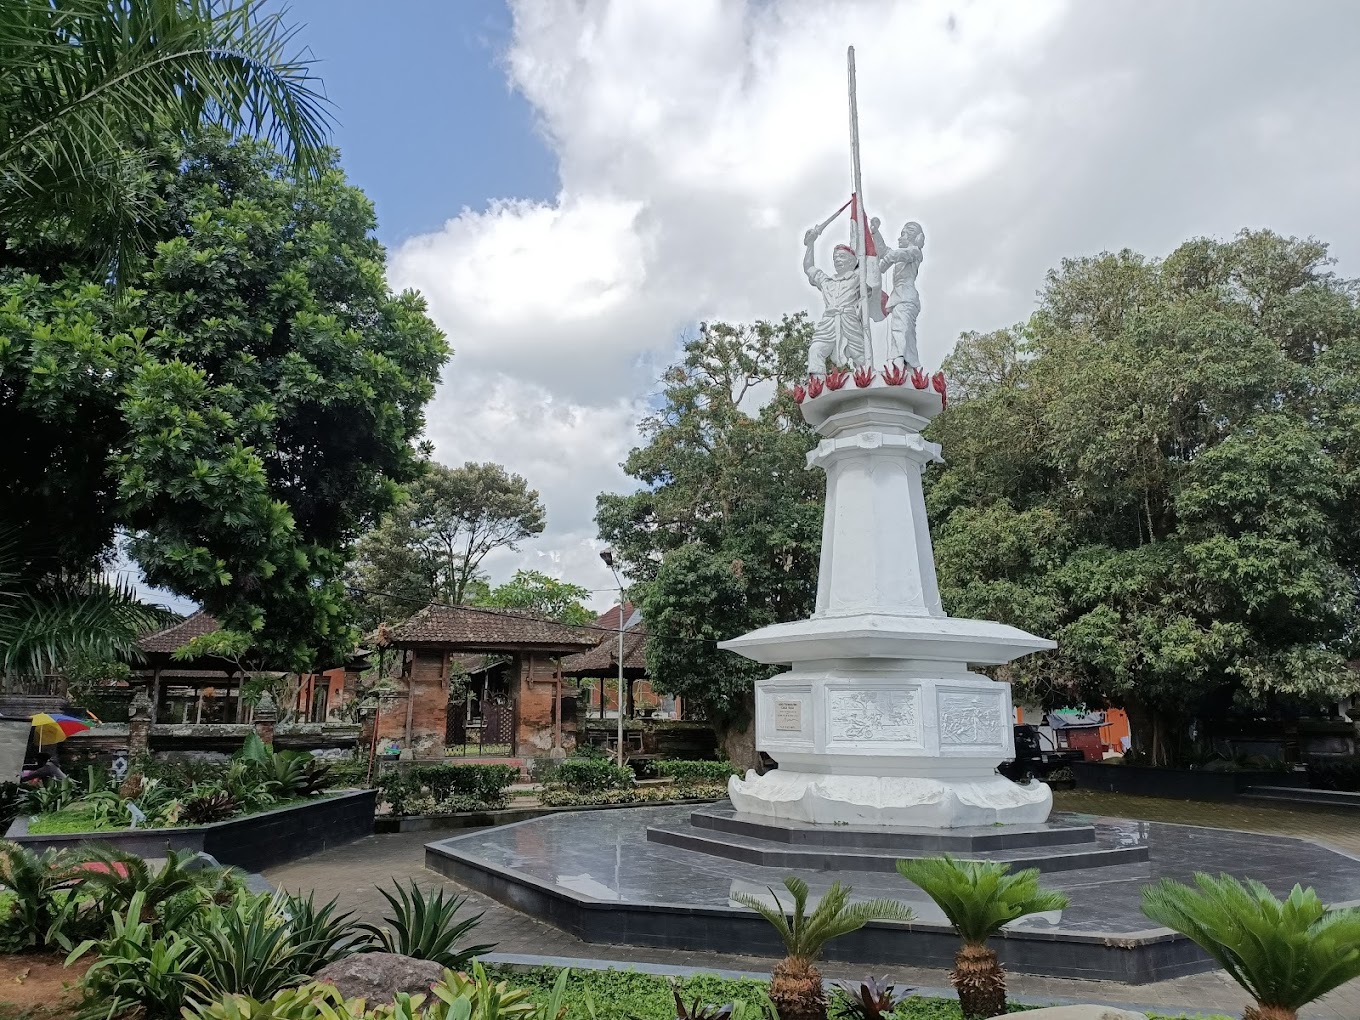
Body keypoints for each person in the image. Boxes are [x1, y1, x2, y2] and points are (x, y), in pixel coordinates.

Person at [803, 224, 877, 374]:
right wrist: (810, 244)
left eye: (842, 256)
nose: (837, 260)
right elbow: (809, 267)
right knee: (815, 350)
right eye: (835, 258)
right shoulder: (826, 281)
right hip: (829, 322)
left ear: (852, 261)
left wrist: (873, 235)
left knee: (862, 357)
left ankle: (865, 383)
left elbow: (871, 262)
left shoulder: (858, 277)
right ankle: (818, 383)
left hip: (849, 320)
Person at [871, 219, 925, 368]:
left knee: (900, 329)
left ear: (912, 237)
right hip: (901, 298)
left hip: (906, 297)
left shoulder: (914, 252)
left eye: (903, 235)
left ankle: (898, 360)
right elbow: (884, 251)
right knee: (906, 332)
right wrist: (875, 232)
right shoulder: (901, 255)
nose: (899, 238)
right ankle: (910, 363)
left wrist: (881, 267)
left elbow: (895, 255)